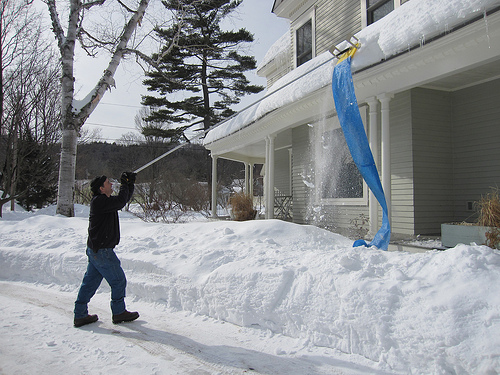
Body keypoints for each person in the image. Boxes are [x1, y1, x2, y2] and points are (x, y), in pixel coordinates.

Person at [73, 172, 139, 328]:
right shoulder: (100, 202)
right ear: (101, 189)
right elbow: (121, 201)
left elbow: (123, 200)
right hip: (102, 251)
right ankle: (118, 312)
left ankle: (80, 314)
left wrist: (129, 185)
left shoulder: (104, 201)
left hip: (96, 250)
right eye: (108, 183)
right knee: (118, 281)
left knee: (89, 283)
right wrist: (124, 184)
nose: (111, 185)